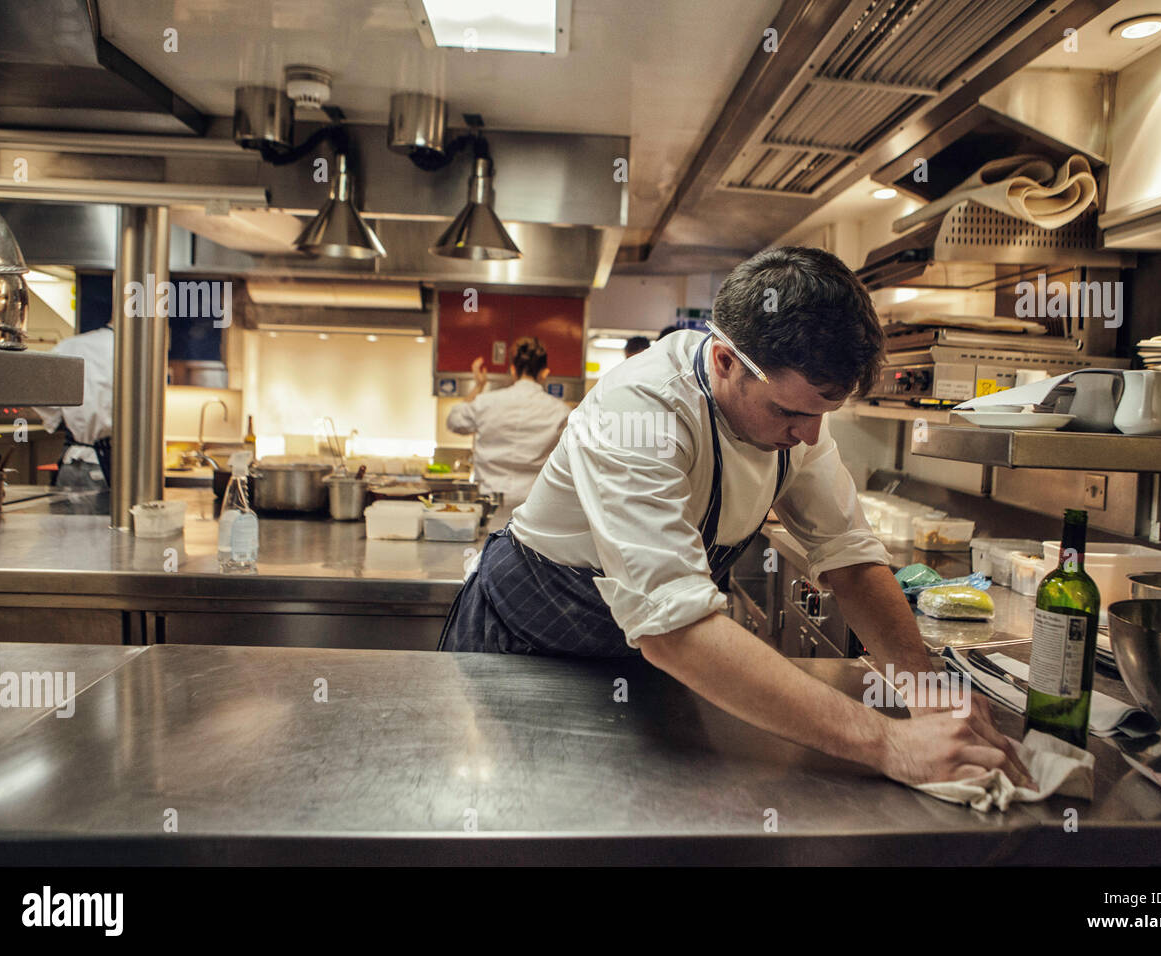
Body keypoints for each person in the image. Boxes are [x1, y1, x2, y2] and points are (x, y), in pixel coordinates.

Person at [440, 247, 1030, 789]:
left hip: (637, 664)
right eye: (790, 411)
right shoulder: (637, 411)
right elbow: (673, 627)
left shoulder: (801, 423)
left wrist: (924, 688)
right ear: (725, 359)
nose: (810, 435)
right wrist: (888, 743)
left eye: (826, 413)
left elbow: (850, 557)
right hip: (524, 652)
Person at [445, 337, 570, 507]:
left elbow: (454, 421)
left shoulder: (486, 402)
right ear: (544, 373)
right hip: (535, 507)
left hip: (490, 503)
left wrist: (479, 386)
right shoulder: (561, 411)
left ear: (513, 370)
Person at [34, 322, 113, 494]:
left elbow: (38, 393)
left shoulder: (69, 345)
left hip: (72, 463)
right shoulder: (132, 349)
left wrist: (66, 421)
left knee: (68, 521)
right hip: (109, 469)